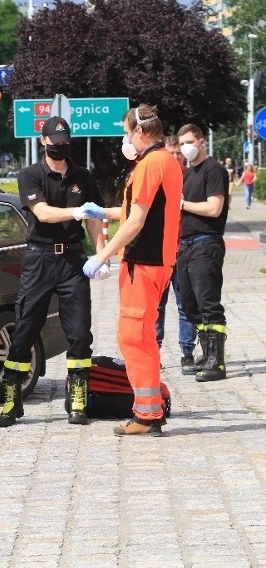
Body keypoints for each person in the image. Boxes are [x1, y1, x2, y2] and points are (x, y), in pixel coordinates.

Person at [0, 116, 105, 427]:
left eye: (65, 143)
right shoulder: (30, 175)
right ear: (44, 142)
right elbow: (41, 213)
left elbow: (94, 219)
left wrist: (102, 256)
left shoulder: (83, 177)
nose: (60, 148)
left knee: (80, 333)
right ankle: (12, 397)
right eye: (55, 143)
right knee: (25, 330)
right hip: (39, 260)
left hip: (72, 261)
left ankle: (77, 397)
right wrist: (75, 211)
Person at [82, 104, 183, 436]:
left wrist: (102, 256)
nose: (126, 138)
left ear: (141, 132)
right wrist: (103, 212)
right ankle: (149, 409)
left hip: (145, 261)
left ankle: (147, 415)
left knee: (134, 338)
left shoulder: (151, 164)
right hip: (153, 261)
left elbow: (137, 221)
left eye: (127, 131)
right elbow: (134, 211)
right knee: (139, 338)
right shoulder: (161, 161)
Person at [176, 124, 230, 382]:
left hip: (206, 243)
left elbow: (214, 208)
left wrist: (184, 204)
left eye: (189, 141)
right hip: (185, 245)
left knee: (208, 303)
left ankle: (216, 362)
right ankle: (205, 353)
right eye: (181, 142)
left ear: (201, 142)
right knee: (190, 304)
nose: (185, 146)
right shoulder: (187, 173)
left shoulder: (214, 169)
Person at [156, 136, 197, 372]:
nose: (174, 158)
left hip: (184, 250)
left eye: (177, 153)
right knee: (157, 307)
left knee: (186, 305)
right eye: (170, 153)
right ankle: (155, 350)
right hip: (161, 253)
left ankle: (187, 353)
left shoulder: (190, 179)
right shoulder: (158, 178)